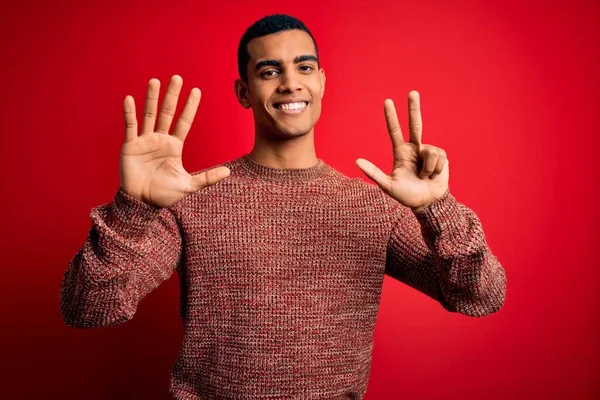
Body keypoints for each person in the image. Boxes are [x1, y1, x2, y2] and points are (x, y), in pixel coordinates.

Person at [60, 13, 506, 400]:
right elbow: (87, 307)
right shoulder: (192, 202)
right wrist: (133, 208)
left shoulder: (372, 206)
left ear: (321, 81)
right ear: (243, 90)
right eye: (269, 71)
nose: (291, 82)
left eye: (304, 67)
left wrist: (438, 209)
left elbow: (480, 296)